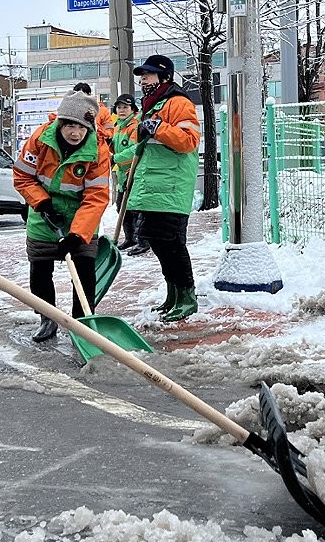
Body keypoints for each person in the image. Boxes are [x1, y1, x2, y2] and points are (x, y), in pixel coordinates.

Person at [14, 92, 111, 342]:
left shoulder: (97, 151)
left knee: (84, 270)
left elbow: (97, 196)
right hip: (44, 212)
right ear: (60, 122)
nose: (75, 133)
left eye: (81, 127)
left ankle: (82, 324)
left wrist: (77, 234)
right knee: (40, 269)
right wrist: (41, 202)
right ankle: (48, 318)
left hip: (81, 216)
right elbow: (22, 176)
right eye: (70, 125)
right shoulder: (40, 140)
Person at [126, 54, 201, 322]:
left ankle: (186, 296)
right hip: (154, 185)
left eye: (147, 74)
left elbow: (189, 141)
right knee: (157, 241)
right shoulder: (152, 105)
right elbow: (146, 148)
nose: (142, 79)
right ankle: (173, 293)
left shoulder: (178, 103)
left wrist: (158, 127)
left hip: (171, 185)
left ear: (164, 76)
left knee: (172, 242)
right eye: (141, 75)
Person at [108, 94, 145, 252]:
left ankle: (142, 240)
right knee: (122, 207)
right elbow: (114, 146)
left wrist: (115, 158)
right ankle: (130, 238)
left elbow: (134, 149)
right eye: (119, 107)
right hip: (122, 173)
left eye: (125, 107)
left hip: (134, 171)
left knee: (136, 207)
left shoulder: (135, 125)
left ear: (133, 109)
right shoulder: (117, 126)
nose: (121, 110)